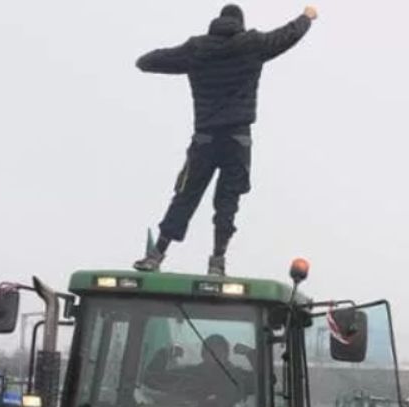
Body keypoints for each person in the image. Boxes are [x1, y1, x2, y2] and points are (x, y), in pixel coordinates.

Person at [132, 4, 318, 276]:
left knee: (185, 196)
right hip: (238, 139)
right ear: (240, 23)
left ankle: (156, 255)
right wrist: (306, 17)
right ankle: (217, 261)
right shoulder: (252, 45)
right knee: (227, 202)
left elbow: (148, 62)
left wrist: (159, 60)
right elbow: (286, 36)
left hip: (205, 138)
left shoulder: (197, 49)